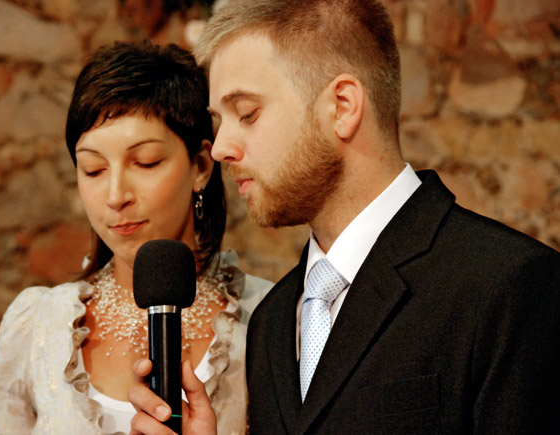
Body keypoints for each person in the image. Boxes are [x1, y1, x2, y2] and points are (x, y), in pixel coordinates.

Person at [128, 0, 560, 433]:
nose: (222, 147)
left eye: (247, 114)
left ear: (342, 106)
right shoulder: (272, 321)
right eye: (219, 121)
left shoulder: (510, 287)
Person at [0, 41, 272, 434]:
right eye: (93, 169)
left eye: (145, 162)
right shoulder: (39, 325)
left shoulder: (269, 319)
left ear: (201, 166)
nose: (116, 196)